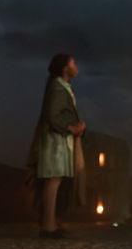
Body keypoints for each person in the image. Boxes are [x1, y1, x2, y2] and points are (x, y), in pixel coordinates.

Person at [26, 53, 87, 238]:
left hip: (58, 142)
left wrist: (76, 127)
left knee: (54, 182)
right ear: (64, 68)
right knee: (53, 182)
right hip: (55, 143)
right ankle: (48, 227)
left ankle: (49, 224)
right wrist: (71, 127)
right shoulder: (57, 87)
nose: (76, 66)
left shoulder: (62, 86)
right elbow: (52, 115)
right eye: (73, 63)